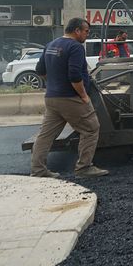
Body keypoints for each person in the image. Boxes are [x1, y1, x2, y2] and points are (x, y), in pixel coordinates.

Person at [30, 17, 108, 179]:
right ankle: (84, 168)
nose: (87, 34)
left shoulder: (51, 44)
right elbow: (74, 75)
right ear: (77, 31)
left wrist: (54, 83)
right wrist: (83, 95)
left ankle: (38, 171)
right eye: (86, 31)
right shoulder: (75, 47)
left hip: (52, 97)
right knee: (91, 129)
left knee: (46, 135)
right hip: (71, 98)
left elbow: (40, 70)